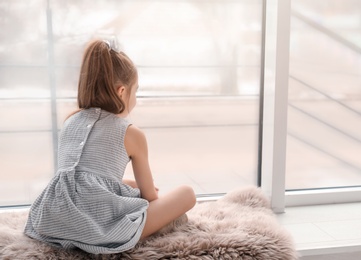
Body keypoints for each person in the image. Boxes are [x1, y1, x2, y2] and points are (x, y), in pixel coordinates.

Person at [24, 39, 196, 254]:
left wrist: (129, 185)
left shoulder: (71, 121)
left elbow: (78, 176)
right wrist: (145, 192)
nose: (135, 100)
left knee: (129, 186)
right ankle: (136, 230)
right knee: (187, 194)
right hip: (98, 231)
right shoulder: (131, 133)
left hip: (52, 221)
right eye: (136, 92)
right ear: (122, 91)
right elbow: (151, 197)